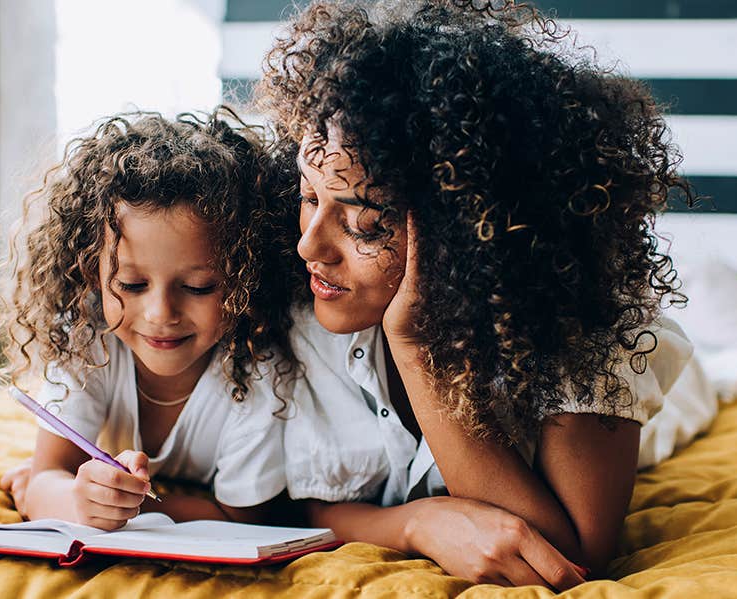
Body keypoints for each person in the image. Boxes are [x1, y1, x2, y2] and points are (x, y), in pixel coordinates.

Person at [255, 0, 706, 587]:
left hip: (667, 405)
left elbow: (568, 556)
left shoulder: (595, 334)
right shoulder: (297, 300)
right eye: (309, 196)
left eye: (365, 223)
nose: (309, 247)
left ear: (465, 230)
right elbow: (285, 503)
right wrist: (417, 523)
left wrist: (413, 344)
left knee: (725, 377)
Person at [0, 109, 301, 530]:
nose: (161, 314)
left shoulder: (261, 371)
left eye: (198, 287)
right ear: (90, 274)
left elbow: (245, 520)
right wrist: (75, 500)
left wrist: (126, 505)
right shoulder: (86, 339)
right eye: (132, 285)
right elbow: (46, 477)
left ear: (247, 277)